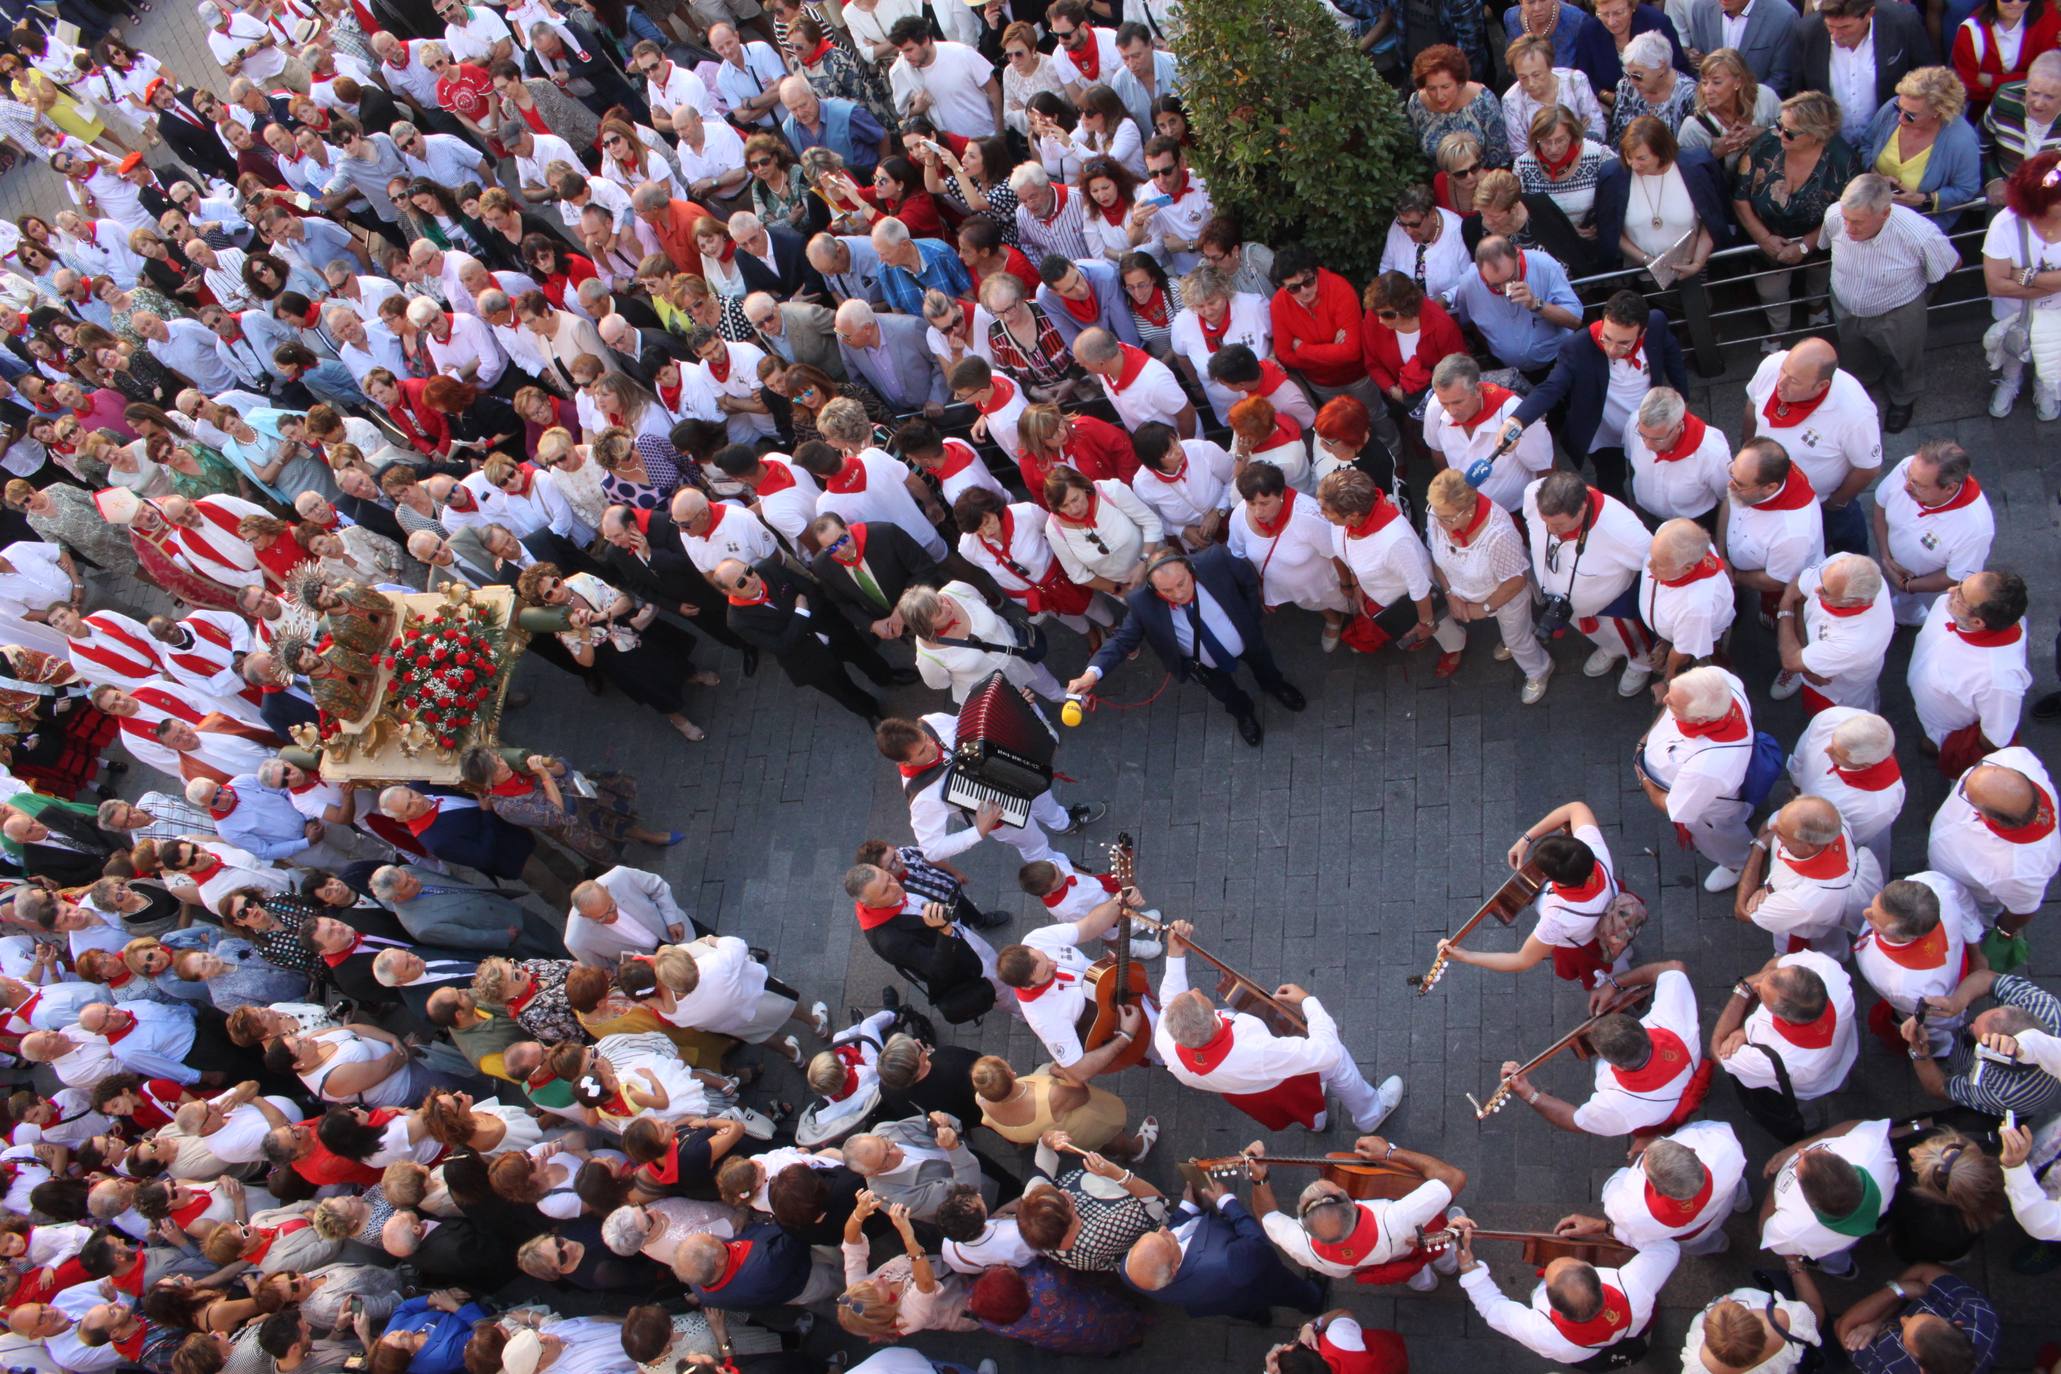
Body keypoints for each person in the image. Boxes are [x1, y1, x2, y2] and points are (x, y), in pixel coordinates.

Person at [1154, 918, 1402, 1132]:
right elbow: (1328, 1053)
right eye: (1201, 997)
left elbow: (1169, 1002)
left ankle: (1317, 1123)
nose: (1196, 989)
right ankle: (1371, 1113)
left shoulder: (1166, 1037)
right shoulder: (1256, 1050)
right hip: (1276, 1075)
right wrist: (1308, 1001)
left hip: (1247, 1091)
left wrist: (1175, 953)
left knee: (1303, 1110)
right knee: (1338, 1063)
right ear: (1213, 1022)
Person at [1067, 546, 1304, 748]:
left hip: (1247, 638)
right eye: (1166, 591)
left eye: (1181, 583)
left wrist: (1251, 617)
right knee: (1224, 693)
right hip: (1202, 663)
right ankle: (1243, 712)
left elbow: (1248, 579)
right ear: (1153, 588)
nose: (1178, 594)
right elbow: (1121, 641)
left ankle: (1275, 685)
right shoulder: (1142, 603)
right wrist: (1091, 674)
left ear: (1190, 569)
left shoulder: (1215, 561)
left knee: (1264, 664)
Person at [1507, 288, 1687, 502]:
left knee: (1651, 477)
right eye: (1607, 338)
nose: (1611, 349)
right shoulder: (1578, 348)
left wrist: (1681, 398)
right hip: (1604, 434)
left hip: (1646, 429)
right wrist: (1517, 420)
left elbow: (1672, 353)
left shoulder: (1656, 323)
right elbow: (1551, 387)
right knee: (1611, 481)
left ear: (1643, 333)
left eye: (1623, 343)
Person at [1824, 175, 1962, 435]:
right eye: (1846, 218)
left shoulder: (1920, 234)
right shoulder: (1834, 216)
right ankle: (1862, 382)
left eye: (1857, 223)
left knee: (1904, 359)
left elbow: (1951, 264)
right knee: (1853, 352)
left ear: (1885, 213)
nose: (1848, 228)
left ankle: (1903, 398)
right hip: (1845, 306)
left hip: (1897, 313)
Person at [875, 713, 1101, 870]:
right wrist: (980, 831)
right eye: (922, 752)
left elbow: (972, 727)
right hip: (1000, 814)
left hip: (1011, 775)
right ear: (904, 762)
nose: (932, 748)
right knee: (1034, 843)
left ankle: (1063, 822)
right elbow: (932, 850)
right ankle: (1057, 869)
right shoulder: (922, 796)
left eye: (926, 740)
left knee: (1043, 796)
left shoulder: (931, 723)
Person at [1252, 1134, 1468, 1290]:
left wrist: (1259, 1178)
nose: (1320, 1180)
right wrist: (1389, 1152)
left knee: (1411, 1274)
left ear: (1303, 1223)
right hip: (1415, 1239)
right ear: (1351, 1203)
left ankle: (1425, 1284)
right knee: (1442, 1247)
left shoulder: (1302, 1247)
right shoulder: (1394, 1218)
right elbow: (1453, 1178)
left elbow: (1268, 1216)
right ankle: (1450, 1267)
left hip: (1383, 1263)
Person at [1454, 1220, 1682, 1365]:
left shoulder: (1545, 1335)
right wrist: (1605, 1227)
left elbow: (1493, 1307)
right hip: (1637, 1323)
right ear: (1593, 1270)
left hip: (1588, 1356)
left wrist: (1467, 1263)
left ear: (1551, 1301)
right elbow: (1667, 1248)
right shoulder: (1634, 1284)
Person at [1120, 1163, 1325, 1322]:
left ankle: (1258, 1317)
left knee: (1239, 1307)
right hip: (1252, 1279)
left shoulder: (1129, 1270)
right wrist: (1227, 1202)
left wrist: (1187, 1209)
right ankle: (1312, 1300)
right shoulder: (1226, 1263)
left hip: (1213, 1300)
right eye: (1165, 1240)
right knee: (1288, 1290)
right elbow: (1257, 1243)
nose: (1164, 1229)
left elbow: (1169, 1231)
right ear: (1174, 1267)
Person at [1734, 92, 1863, 340]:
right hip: (1767, 241)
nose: (1780, 134)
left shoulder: (1843, 160)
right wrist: (1764, 239)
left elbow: (1845, 211)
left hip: (1819, 242)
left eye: (1790, 132)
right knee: (1770, 292)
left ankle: (1816, 306)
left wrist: (1805, 246)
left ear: (1816, 135)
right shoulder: (1766, 143)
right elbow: (1740, 197)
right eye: (1779, 125)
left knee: (1818, 279)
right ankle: (1778, 329)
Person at [1320, 467, 1466, 673]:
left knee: (1443, 628)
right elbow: (1350, 554)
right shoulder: (1343, 521)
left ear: (1352, 515)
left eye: (1326, 510)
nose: (1322, 514)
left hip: (1413, 599)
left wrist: (1426, 622)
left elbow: (1419, 587)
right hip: (1387, 594)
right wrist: (1356, 584)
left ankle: (1455, 647)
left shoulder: (1394, 541)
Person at [1905, 571, 2033, 776]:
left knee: (1938, 750)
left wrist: (1955, 747)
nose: (1950, 590)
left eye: (1960, 596)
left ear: (1977, 623)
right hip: (1929, 712)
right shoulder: (1949, 605)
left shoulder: (1999, 679)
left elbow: (1995, 736)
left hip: (1947, 728)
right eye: (1962, 583)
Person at [1870, 441, 1995, 626]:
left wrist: (1907, 585)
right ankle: (1902, 615)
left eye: (1919, 485)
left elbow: (1954, 576)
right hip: (1894, 568)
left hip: (1931, 591)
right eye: (1909, 477)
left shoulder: (1975, 529)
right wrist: (1886, 557)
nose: (1906, 486)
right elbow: (1880, 506)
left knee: (1936, 618)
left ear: (1950, 488)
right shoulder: (1909, 468)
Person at [1761, 1117, 1900, 1276]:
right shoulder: (1873, 1149)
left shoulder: (1793, 1229)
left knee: (1832, 1257)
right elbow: (1859, 1125)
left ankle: (1843, 1271)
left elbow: (1765, 1229)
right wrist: (1799, 1144)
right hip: (1880, 1208)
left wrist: (1777, 1180)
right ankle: (1879, 1227)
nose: (1801, 1152)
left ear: (1812, 1204)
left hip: (1833, 1245)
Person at [1422, 352, 1553, 515]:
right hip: (1465, 513)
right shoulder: (1435, 408)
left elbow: (1546, 467)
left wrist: (1542, 515)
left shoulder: (1515, 413)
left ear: (1477, 389)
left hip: (1516, 512)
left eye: (1458, 402)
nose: (1451, 411)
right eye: (1445, 403)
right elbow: (1437, 451)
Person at [1799, 0, 1941, 144]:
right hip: (1830, 145)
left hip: (1890, 141)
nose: (1836, 36)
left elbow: (1927, 79)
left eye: (1845, 27)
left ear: (1869, 14)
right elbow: (1798, 92)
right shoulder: (1807, 32)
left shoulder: (1903, 22)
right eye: (1830, 27)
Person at [1861, 67, 1981, 230]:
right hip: (1871, 213)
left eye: (1910, 115)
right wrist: (1875, 175)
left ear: (1938, 112)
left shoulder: (1962, 140)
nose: (1900, 118)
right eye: (1899, 108)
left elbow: (1966, 190)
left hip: (1921, 226)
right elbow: (1865, 144)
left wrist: (1923, 199)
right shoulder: (1891, 109)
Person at [1836, 1265, 2001, 1374]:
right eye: (1929, 1316)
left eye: (1904, 1333)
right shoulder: (1980, 1314)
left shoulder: (1889, 1370)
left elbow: (1843, 1327)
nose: (1903, 1319)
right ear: (1956, 1324)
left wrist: (1898, 1291)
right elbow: (1924, 1269)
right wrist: (1880, 1319)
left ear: (1922, 1369)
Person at [1407, 44, 1509, 168]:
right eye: (1431, 88)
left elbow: (1500, 155)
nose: (1439, 96)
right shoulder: (1417, 103)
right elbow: (1413, 150)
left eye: (1445, 87)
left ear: (1459, 82)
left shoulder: (1483, 101)